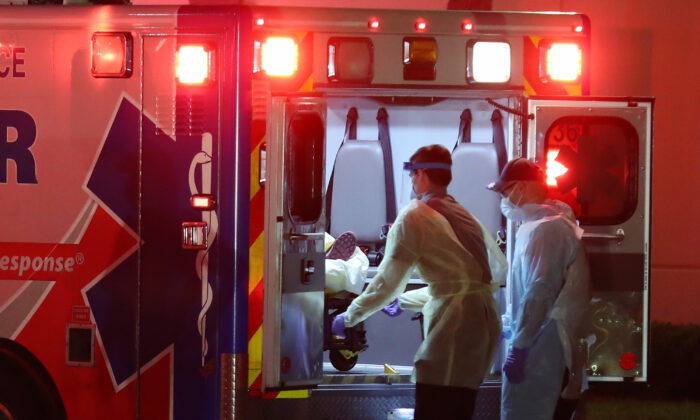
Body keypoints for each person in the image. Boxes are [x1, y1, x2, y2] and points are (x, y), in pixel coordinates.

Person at [332, 144, 503, 419]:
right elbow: (462, 280)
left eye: (412, 175)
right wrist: (406, 300)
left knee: (436, 407)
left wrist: (350, 316)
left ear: (421, 174)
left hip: (454, 329)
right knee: (459, 409)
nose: (411, 182)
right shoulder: (460, 212)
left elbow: (386, 282)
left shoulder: (416, 216)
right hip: (479, 324)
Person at [488, 157, 591, 420]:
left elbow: (539, 293)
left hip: (546, 347)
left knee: (537, 410)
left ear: (521, 187)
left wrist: (520, 346)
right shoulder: (541, 224)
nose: (504, 198)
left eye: (505, 190)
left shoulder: (547, 230)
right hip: (540, 340)